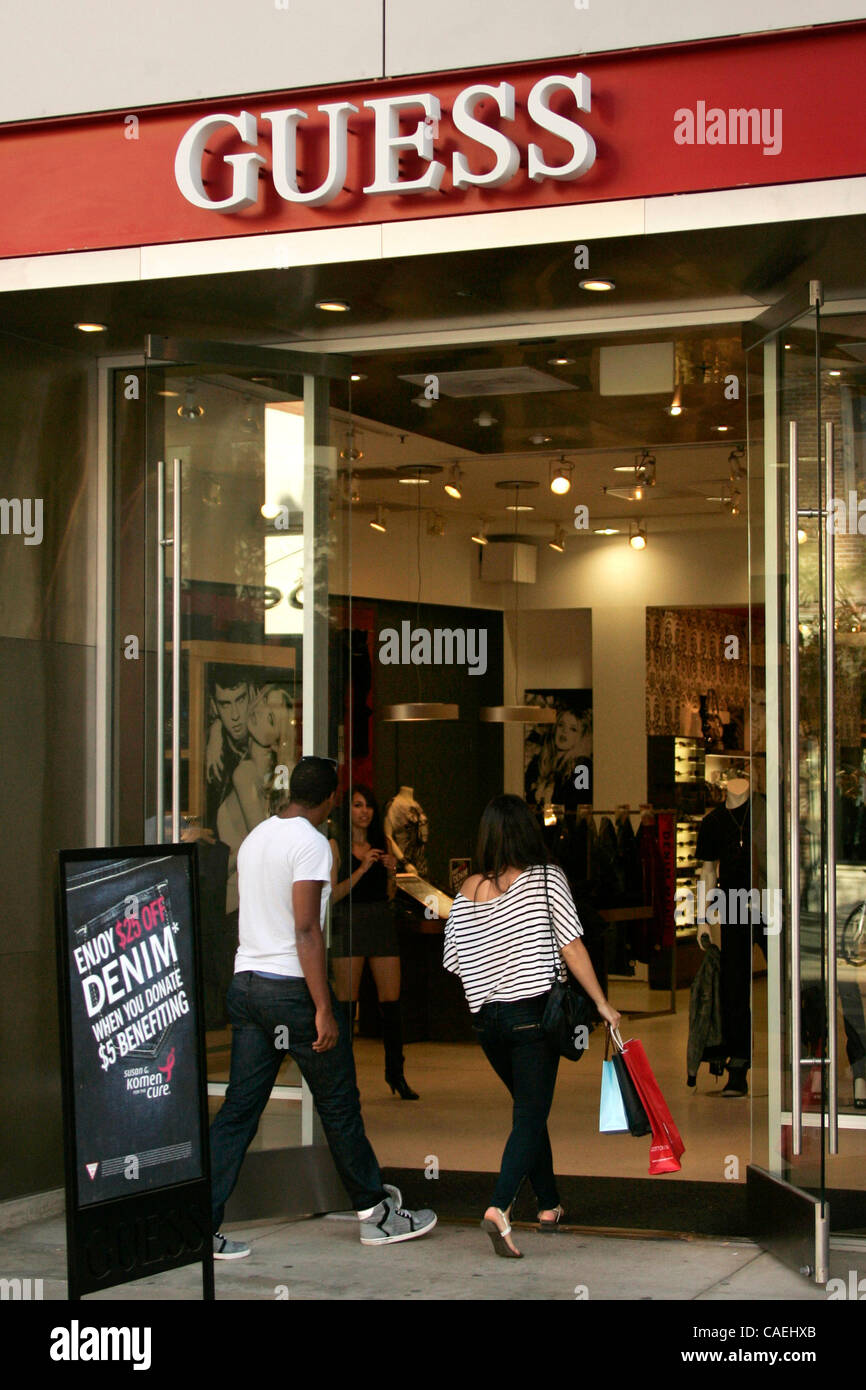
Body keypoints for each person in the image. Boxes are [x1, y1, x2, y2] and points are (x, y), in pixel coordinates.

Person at [208, 756, 436, 1259]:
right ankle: (375, 1214)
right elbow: (307, 927)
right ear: (331, 798)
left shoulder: (256, 838)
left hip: (247, 984)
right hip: (291, 989)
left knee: (239, 1111)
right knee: (339, 1103)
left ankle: (198, 1223)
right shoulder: (310, 843)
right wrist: (323, 1007)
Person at [444, 793, 620, 1259]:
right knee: (530, 1115)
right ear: (527, 831)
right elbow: (572, 946)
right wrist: (602, 1003)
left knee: (528, 1108)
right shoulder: (546, 879)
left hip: (487, 1023)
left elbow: (454, 962)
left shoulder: (464, 890)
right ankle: (500, 1207)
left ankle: (548, 1204)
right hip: (531, 1017)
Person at [329, 786, 418, 1100]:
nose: (364, 811)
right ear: (347, 810)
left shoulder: (383, 842)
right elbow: (332, 895)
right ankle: (342, 1080)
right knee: (346, 1005)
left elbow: (391, 892)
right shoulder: (335, 844)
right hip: (349, 921)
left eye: (368, 805)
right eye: (357, 805)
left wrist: (391, 874)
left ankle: (397, 1074)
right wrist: (363, 867)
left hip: (380, 919)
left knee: (391, 1003)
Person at [525, 704, 592, 811]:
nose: (564, 731)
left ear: (581, 737)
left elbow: (580, 804)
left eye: (573, 729)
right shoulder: (538, 762)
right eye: (561, 725)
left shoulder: (582, 767)